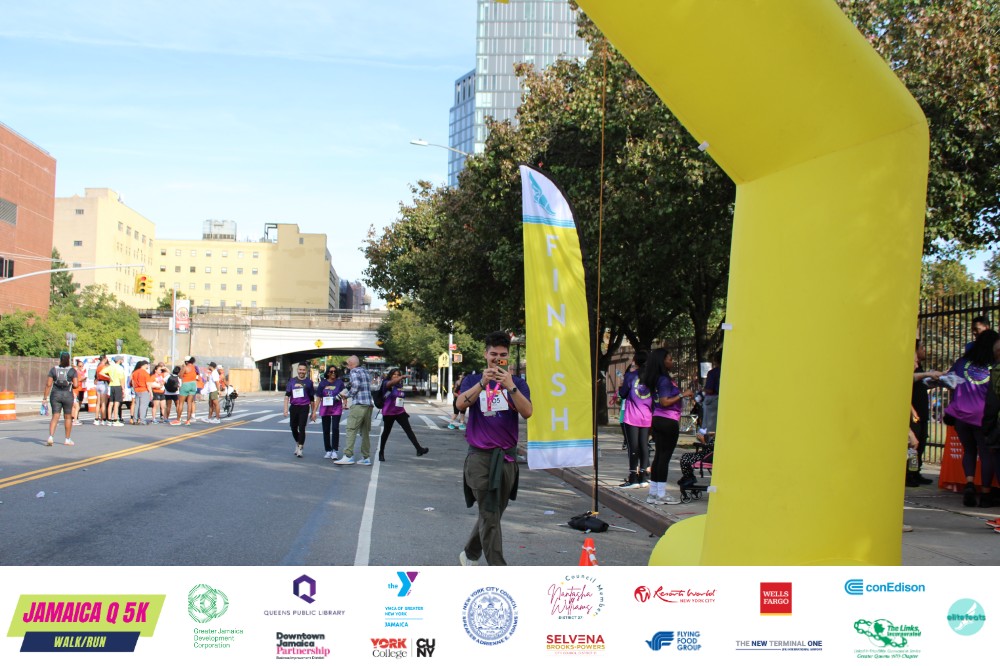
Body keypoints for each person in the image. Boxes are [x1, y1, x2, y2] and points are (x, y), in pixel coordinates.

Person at [456, 331, 532, 566]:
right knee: (489, 513)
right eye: (494, 354)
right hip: (479, 457)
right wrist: (482, 384)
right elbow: (460, 404)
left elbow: (527, 412)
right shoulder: (472, 380)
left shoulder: (517, 383)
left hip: (506, 458)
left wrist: (510, 386)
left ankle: (470, 553)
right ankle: (499, 569)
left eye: (503, 355)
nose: (498, 359)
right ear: (485, 355)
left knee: (493, 513)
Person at [944, 329, 1000, 507]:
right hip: (983, 415)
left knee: (968, 450)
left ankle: (969, 483)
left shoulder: (962, 362)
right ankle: (985, 493)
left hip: (961, 414)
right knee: (986, 454)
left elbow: (949, 381)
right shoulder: (994, 366)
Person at [642, 348, 692, 505]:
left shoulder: (656, 379)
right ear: (662, 361)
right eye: (670, 359)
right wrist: (683, 394)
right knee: (664, 458)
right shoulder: (664, 380)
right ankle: (661, 494)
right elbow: (664, 401)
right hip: (668, 420)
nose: (672, 361)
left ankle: (654, 493)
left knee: (659, 457)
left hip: (658, 419)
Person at [377, 367, 430, 462]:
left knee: (409, 430)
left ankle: (419, 449)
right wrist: (401, 377)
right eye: (394, 374)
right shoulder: (387, 383)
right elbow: (390, 384)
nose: (396, 376)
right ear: (390, 375)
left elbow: (401, 396)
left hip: (400, 411)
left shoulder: (399, 385)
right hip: (389, 412)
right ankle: (381, 452)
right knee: (386, 433)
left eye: (398, 375)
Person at [618, 351, 652, 489]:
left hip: (632, 416)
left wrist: (622, 386)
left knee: (633, 447)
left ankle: (633, 477)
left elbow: (623, 394)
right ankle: (643, 477)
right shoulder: (653, 377)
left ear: (635, 361)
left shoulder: (631, 376)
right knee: (644, 445)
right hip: (647, 415)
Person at [910, 339, 942, 486]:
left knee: (921, 443)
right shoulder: (911, 365)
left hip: (922, 412)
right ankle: (910, 473)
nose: (924, 350)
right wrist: (927, 374)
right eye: (922, 347)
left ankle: (916, 472)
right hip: (914, 413)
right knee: (913, 445)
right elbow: (910, 379)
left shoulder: (919, 367)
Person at [334, 356, 375, 466]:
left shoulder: (354, 371)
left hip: (359, 404)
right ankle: (366, 457)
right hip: (368, 405)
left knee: (351, 429)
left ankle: (348, 456)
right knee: (365, 432)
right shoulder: (365, 371)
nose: (347, 366)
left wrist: (347, 395)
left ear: (351, 363)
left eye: (348, 364)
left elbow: (356, 386)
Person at [43, 351, 79, 446]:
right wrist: (70, 384)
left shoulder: (53, 370)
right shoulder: (72, 371)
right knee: (68, 417)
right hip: (67, 395)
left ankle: (51, 437)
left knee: (55, 416)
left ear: (60, 359)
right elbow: (76, 385)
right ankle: (67, 439)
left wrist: (45, 397)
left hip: (55, 394)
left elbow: (48, 384)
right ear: (68, 359)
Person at [283, 362, 317, 458]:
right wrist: (285, 409)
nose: (301, 371)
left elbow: (312, 399)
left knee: (302, 427)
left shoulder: (309, 382)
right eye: (300, 369)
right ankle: (298, 442)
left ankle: (300, 448)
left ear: (306, 371)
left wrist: (313, 412)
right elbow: (287, 396)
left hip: (304, 407)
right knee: (293, 427)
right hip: (294, 407)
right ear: (297, 370)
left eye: (303, 370)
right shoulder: (292, 381)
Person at [316, 367, 345, 460]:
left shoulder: (339, 383)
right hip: (325, 408)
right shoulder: (322, 383)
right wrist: (314, 411)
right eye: (331, 371)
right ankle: (328, 450)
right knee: (326, 429)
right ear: (327, 373)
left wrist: (345, 403)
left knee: (335, 428)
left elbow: (344, 394)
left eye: (335, 371)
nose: (333, 373)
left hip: (336, 408)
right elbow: (319, 397)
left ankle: (334, 450)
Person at [174, 356, 199, 425]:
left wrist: (182, 369)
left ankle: (178, 420)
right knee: (189, 403)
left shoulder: (185, 367)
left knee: (181, 403)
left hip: (186, 384)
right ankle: (188, 420)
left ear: (186, 362)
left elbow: (180, 376)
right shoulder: (194, 367)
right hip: (193, 384)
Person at [702, 351, 722, 433]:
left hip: (713, 400)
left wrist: (703, 389)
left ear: (715, 361)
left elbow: (710, 390)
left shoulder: (713, 373)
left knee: (710, 427)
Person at [104, 355, 126, 427]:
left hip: (111, 385)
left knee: (111, 403)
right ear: (119, 360)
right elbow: (121, 379)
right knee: (116, 403)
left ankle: (109, 420)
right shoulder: (120, 368)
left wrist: (108, 377)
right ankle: (116, 420)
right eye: (121, 359)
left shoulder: (111, 366)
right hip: (117, 385)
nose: (122, 360)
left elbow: (101, 372)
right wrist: (123, 389)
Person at [130, 360, 152, 425]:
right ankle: (142, 420)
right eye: (147, 365)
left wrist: (135, 389)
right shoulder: (145, 373)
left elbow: (133, 382)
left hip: (137, 390)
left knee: (137, 405)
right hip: (144, 390)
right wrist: (151, 392)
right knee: (143, 405)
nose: (147, 366)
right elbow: (148, 384)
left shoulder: (135, 372)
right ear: (144, 365)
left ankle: (135, 419)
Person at [94, 354, 110, 426]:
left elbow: (96, 376)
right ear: (105, 359)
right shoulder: (104, 367)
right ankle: (104, 419)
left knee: (98, 402)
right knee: (103, 402)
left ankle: (96, 418)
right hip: (103, 383)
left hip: (98, 383)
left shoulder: (98, 366)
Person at [71, 358, 86, 425]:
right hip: (77, 390)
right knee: (75, 405)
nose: (81, 367)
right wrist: (82, 379)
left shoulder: (82, 372)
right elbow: (76, 380)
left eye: (82, 366)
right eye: (80, 366)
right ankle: (74, 418)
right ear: (77, 366)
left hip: (82, 389)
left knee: (79, 404)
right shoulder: (76, 372)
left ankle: (76, 417)